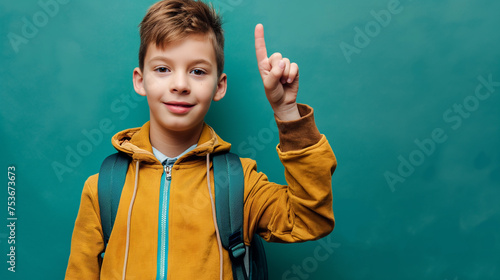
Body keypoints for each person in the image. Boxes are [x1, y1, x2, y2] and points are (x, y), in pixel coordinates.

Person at [65, 0, 337, 279]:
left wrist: (287, 111)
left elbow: (310, 220)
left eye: (197, 71)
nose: (180, 84)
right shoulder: (103, 188)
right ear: (140, 80)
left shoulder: (240, 184)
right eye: (162, 69)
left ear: (219, 86)